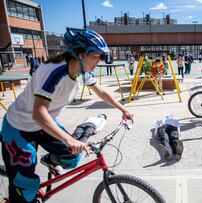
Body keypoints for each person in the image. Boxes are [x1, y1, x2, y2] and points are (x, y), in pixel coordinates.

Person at [0, 28, 133, 203]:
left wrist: (122, 108)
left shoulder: (81, 72)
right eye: (95, 56)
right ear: (80, 54)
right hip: (19, 128)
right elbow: (38, 113)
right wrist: (69, 139)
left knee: (74, 156)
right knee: (25, 190)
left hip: (43, 124)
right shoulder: (54, 72)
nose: (99, 61)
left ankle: (50, 159)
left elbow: (100, 91)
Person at [41, 114, 107, 174]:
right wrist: (96, 131)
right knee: (78, 140)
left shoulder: (97, 118)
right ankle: (52, 161)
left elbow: (90, 121)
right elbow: (98, 125)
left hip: (86, 126)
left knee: (78, 137)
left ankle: (55, 162)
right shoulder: (98, 118)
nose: (100, 116)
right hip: (88, 126)